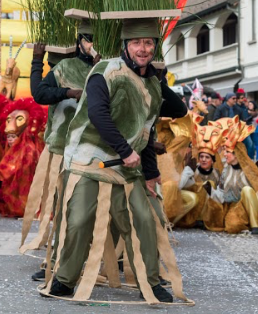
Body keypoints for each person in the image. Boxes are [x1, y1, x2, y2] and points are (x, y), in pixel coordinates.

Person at [43, 17, 188, 303]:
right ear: (125, 45)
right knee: (80, 218)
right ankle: (64, 280)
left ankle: (151, 282)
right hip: (89, 158)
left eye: (148, 43)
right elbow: (98, 114)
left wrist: (149, 171)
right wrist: (124, 150)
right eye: (136, 43)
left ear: (155, 47)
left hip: (126, 167)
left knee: (143, 220)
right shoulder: (104, 71)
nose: (142, 49)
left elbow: (158, 123)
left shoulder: (152, 84)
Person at [22, 19, 97, 262]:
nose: (92, 44)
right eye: (87, 38)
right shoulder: (66, 67)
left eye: (96, 38)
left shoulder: (109, 67)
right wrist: (68, 91)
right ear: (79, 41)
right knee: (63, 206)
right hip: (64, 150)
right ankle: (57, 260)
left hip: (98, 152)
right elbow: (40, 93)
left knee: (96, 209)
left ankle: (99, 260)